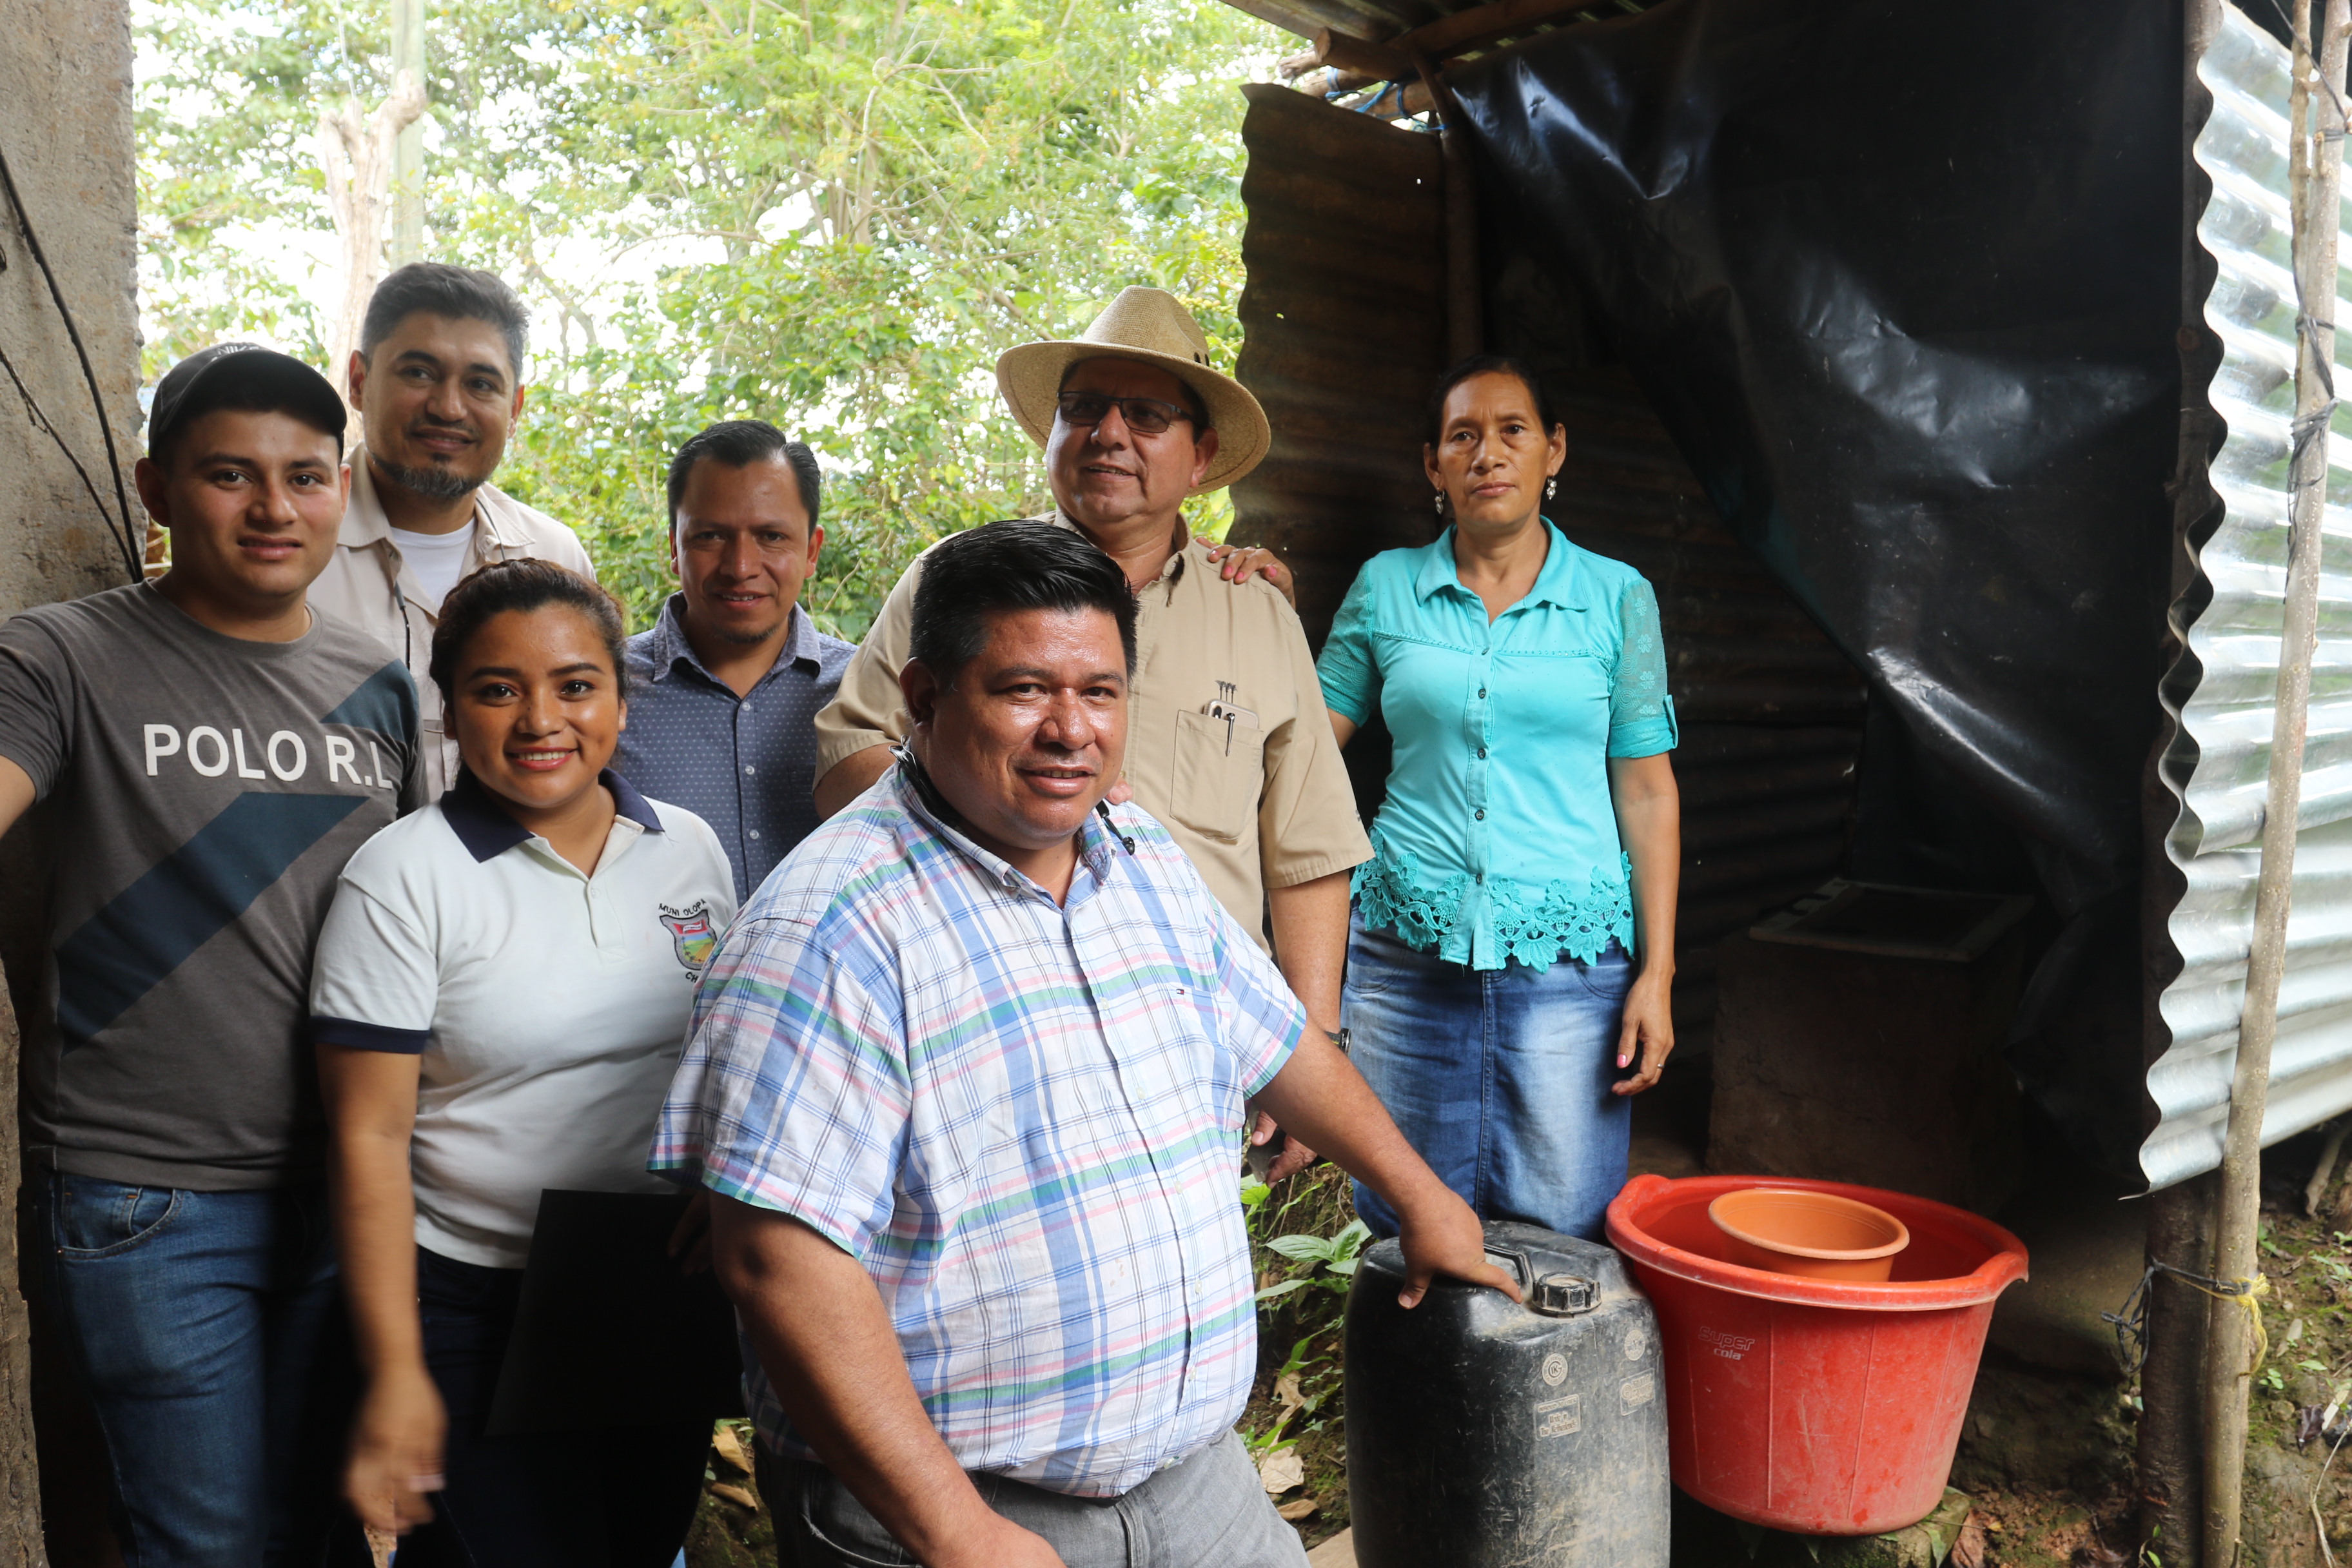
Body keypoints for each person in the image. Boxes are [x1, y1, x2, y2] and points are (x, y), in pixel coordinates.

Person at [654, 520, 1513, 1568]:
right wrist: (958, 1533)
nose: (1071, 728)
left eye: (1099, 692)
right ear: (923, 697)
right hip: (955, 1510)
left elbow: (1278, 1038)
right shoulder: (826, 926)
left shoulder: (1135, 851)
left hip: (1193, 1482)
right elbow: (773, 1261)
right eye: (1024, 689)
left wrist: (1420, 1196)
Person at [0, 343, 420, 1565]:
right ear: (155, 488)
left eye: (305, 476)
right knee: (201, 1544)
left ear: (342, 487)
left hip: (348, 1192)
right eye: (230, 475)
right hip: (149, 1195)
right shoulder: (60, 657)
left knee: (325, 1539)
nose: (274, 509)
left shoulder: (379, 687)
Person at [812, 287, 1367, 1178]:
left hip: (1200, 1046)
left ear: (1202, 457)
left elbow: (1307, 849)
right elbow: (848, 757)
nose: (1108, 433)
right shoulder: (955, 581)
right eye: (1083, 409)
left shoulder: (1254, 613)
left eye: (1146, 415)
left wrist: (1312, 1044)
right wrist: (997, 822)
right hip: (983, 1025)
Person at [309, 559, 736, 1564]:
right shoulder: (403, 878)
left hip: (656, 1287)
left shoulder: (690, 850)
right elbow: (365, 1138)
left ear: (622, 704)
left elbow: (730, 1055)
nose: (541, 719)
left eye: (575, 684)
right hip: (475, 1301)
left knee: (638, 1548)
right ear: (451, 714)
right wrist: (396, 1370)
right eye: (498, 689)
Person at [1316, 355, 1683, 1244]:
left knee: (1564, 1230)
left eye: (1513, 430)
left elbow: (1646, 791)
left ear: (1553, 450)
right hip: (1405, 957)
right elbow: (1307, 755)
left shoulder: (1617, 597)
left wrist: (1658, 974)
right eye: (1463, 436)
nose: (1489, 453)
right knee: (1407, 1224)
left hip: (1571, 963)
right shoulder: (1386, 586)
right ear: (1433, 465)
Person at [308, 262, 598, 798]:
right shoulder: (293, 550)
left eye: (481, 384)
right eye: (418, 373)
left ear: (515, 408)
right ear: (358, 380)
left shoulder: (554, 556)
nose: (448, 407)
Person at [613, 420, 853, 901]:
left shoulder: (864, 695)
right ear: (674, 548)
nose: (741, 567)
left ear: (811, 550)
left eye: (771, 537)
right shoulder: (601, 692)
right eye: (710, 537)